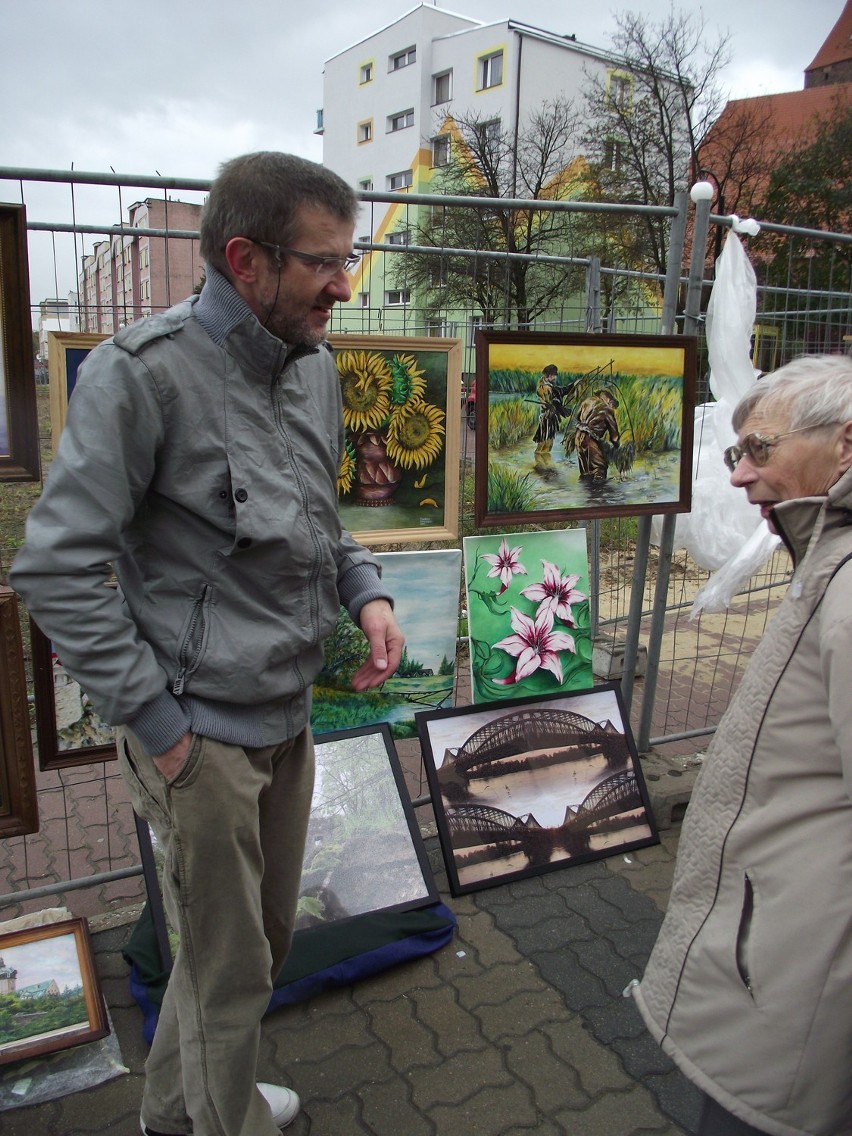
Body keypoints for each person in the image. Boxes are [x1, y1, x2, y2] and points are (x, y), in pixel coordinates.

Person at [11, 151, 404, 1136]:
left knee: (257, 939)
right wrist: (160, 725)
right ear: (245, 258)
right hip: (200, 740)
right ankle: (222, 1117)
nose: (344, 284)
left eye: (346, 257)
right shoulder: (142, 379)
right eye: (324, 261)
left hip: (287, 713)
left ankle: (177, 1107)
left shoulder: (312, 369)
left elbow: (319, 521)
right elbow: (56, 567)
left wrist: (366, 593)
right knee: (231, 967)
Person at [632, 354, 852, 1136]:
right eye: (736, 454)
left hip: (798, 970)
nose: (737, 477)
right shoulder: (827, 553)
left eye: (759, 450)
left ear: (846, 445)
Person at [575, 388, 620, 481]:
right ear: (608, 398)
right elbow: (614, 435)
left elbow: (577, 417)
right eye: (612, 403)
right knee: (600, 469)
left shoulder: (587, 402)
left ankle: (582, 494)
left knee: (585, 473)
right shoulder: (607, 409)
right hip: (590, 439)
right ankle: (599, 494)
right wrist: (616, 446)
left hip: (578, 438)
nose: (612, 406)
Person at [532, 363, 562, 472]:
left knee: (549, 442)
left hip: (551, 416)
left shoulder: (549, 385)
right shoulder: (543, 387)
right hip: (546, 417)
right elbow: (544, 403)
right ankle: (540, 464)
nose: (555, 377)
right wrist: (551, 405)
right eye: (554, 375)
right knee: (544, 441)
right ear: (549, 375)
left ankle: (546, 465)